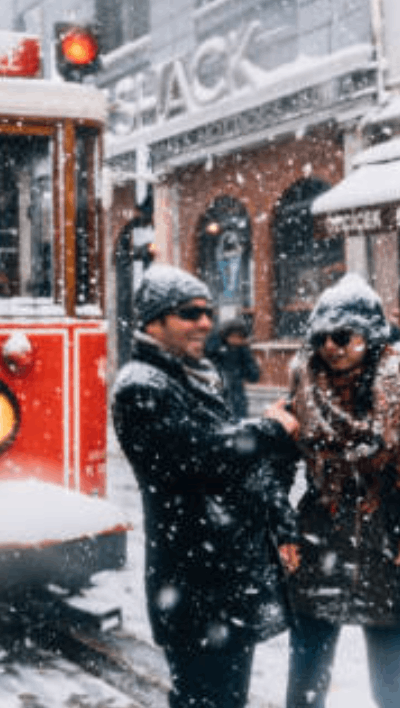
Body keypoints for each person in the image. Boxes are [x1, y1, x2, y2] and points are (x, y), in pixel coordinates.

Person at [111, 264, 301, 708]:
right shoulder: (141, 385)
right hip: (194, 581)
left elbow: (236, 467)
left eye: (207, 312)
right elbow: (195, 456)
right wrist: (269, 431)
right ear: (153, 322)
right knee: (205, 699)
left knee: (226, 697)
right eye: (189, 313)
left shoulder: (197, 375)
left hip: (225, 577)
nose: (204, 323)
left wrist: (280, 521)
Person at [278, 274, 400, 708]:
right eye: (323, 336)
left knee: (394, 691)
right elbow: (274, 475)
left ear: (371, 334)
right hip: (318, 552)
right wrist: (284, 530)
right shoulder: (302, 393)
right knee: (305, 688)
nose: (331, 346)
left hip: (390, 555)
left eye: (343, 335)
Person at [206, 317, 262, 418]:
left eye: (240, 337)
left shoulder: (242, 351)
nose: (236, 339)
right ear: (226, 335)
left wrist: (249, 366)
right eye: (234, 336)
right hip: (216, 393)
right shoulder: (212, 347)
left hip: (237, 397)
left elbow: (254, 376)